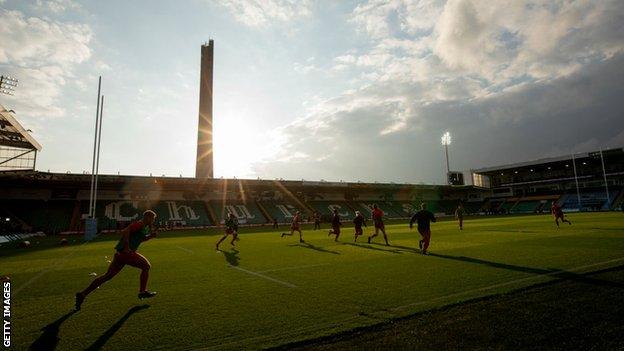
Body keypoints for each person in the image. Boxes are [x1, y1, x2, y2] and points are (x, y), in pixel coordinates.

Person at [75, 210, 158, 310]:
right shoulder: (140, 224)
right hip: (126, 253)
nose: (153, 221)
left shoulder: (144, 227)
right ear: (148, 217)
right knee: (146, 266)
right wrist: (127, 247)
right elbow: (126, 231)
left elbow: (141, 238)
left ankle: (83, 294)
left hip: (120, 255)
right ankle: (142, 291)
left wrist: (150, 236)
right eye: (153, 219)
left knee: (107, 276)